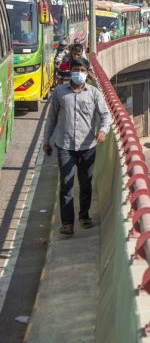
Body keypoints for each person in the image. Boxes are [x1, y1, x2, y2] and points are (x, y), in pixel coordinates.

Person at [44, 57, 112, 236]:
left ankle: (84, 215)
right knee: (66, 183)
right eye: (76, 70)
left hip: (87, 146)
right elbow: (51, 118)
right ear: (70, 71)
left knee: (85, 183)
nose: (79, 74)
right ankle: (67, 223)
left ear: (87, 72)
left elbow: (106, 115)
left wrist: (103, 131)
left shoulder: (94, 93)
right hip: (64, 145)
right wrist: (46, 140)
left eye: (82, 70)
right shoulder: (59, 92)